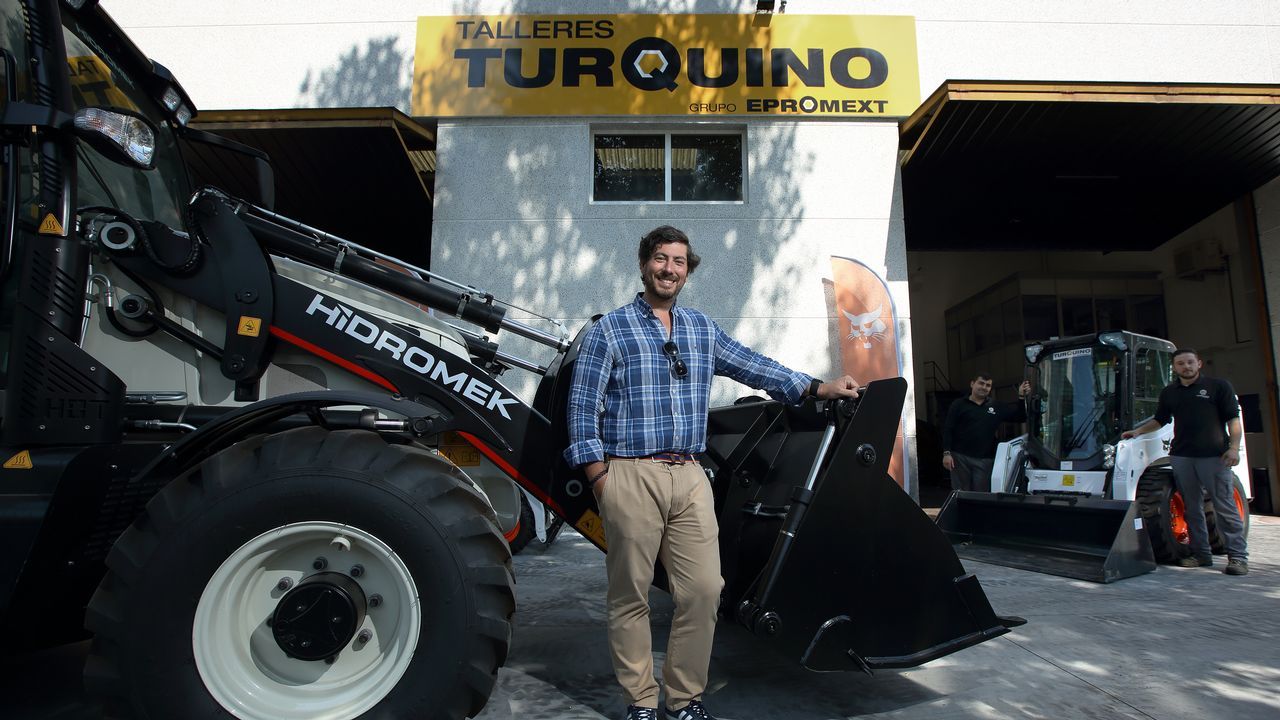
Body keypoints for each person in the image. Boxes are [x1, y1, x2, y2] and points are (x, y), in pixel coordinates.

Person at [564, 226, 861, 720]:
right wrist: (600, 478)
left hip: (689, 475)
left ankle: (684, 699)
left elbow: (753, 366)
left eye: (679, 262)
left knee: (704, 590)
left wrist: (815, 387)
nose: (669, 269)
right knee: (630, 595)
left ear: (688, 271)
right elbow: (581, 407)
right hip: (630, 474)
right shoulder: (609, 330)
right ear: (644, 264)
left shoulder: (701, 329)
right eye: (661, 259)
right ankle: (641, 701)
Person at [1122, 348, 1248, 575]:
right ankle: (1201, 555)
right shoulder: (1170, 392)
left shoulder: (1218, 387)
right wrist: (1138, 431)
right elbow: (1160, 420)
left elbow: (1233, 420)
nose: (1186, 367)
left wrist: (1233, 448)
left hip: (1214, 457)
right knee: (1191, 508)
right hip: (1182, 457)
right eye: (1180, 363)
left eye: (1190, 362)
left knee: (1224, 506)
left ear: (1199, 363)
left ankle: (1238, 557)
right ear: (1174, 367)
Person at [941, 373, 1030, 491]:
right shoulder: (958, 404)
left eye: (988, 385)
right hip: (960, 458)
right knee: (961, 493)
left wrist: (1021, 397)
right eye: (981, 383)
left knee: (981, 494)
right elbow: (948, 428)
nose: (984, 387)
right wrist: (946, 453)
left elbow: (1021, 417)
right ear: (972, 384)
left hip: (984, 460)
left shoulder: (996, 406)